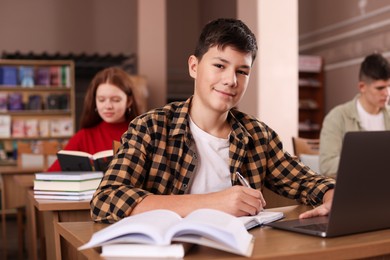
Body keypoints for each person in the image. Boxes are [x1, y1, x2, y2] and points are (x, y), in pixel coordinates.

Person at [91, 18, 335, 223]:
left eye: (242, 71)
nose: (231, 80)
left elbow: (306, 181)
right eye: (220, 65)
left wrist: (331, 194)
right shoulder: (150, 128)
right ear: (194, 66)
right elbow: (106, 200)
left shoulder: (258, 136)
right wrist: (213, 202)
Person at [47, 67, 140, 172]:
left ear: (129, 101)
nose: (108, 106)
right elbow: (50, 176)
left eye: (116, 100)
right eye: (101, 100)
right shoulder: (83, 137)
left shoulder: (142, 134)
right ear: (94, 101)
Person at [319, 53, 390, 177]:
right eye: (380, 88)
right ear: (362, 87)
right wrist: (369, 161)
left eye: (389, 86)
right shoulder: (337, 117)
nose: (386, 93)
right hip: (355, 187)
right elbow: (327, 165)